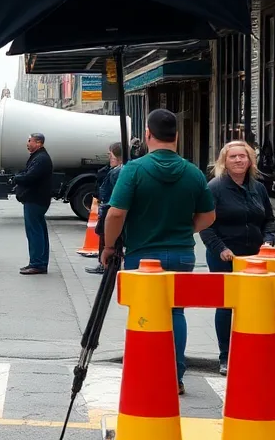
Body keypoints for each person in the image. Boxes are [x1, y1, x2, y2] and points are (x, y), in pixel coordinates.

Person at [101, 109, 216, 394]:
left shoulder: (133, 170)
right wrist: (185, 230)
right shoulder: (193, 172)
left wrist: (109, 246)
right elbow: (209, 216)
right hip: (182, 254)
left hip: (142, 254)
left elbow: (116, 213)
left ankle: (147, 372)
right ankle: (175, 376)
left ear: (148, 135)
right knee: (176, 312)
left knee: (143, 312)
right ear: (177, 136)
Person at [199, 140, 275, 374]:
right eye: (233, 156)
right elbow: (205, 224)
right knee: (226, 306)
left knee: (254, 305)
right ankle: (226, 356)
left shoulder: (258, 188)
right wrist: (220, 248)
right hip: (224, 256)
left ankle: (251, 353)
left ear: (250, 160)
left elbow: (269, 220)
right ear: (224, 161)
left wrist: (268, 240)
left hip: (254, 258)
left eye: (243, 156)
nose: (238, 160)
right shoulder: (215, 188)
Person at [13, 132, 53, 274]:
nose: (27, 143)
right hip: (37, 199)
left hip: (35, 199)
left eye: (30, 141)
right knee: (39, 230)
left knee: (34, 231)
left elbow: (31, 177)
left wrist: (16, 178)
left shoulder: (41, 159)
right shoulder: (38, 157)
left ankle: (37, 264)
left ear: (38, 143)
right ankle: (39, 262)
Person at [87, 142, 123, 276]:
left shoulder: (116, 172)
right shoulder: (120, 170)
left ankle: (105, 264)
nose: (109, 158)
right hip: (109, 207)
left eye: (110, 155)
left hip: (108, 208)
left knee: (106, 237)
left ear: (117, 157)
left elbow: (112, 193)